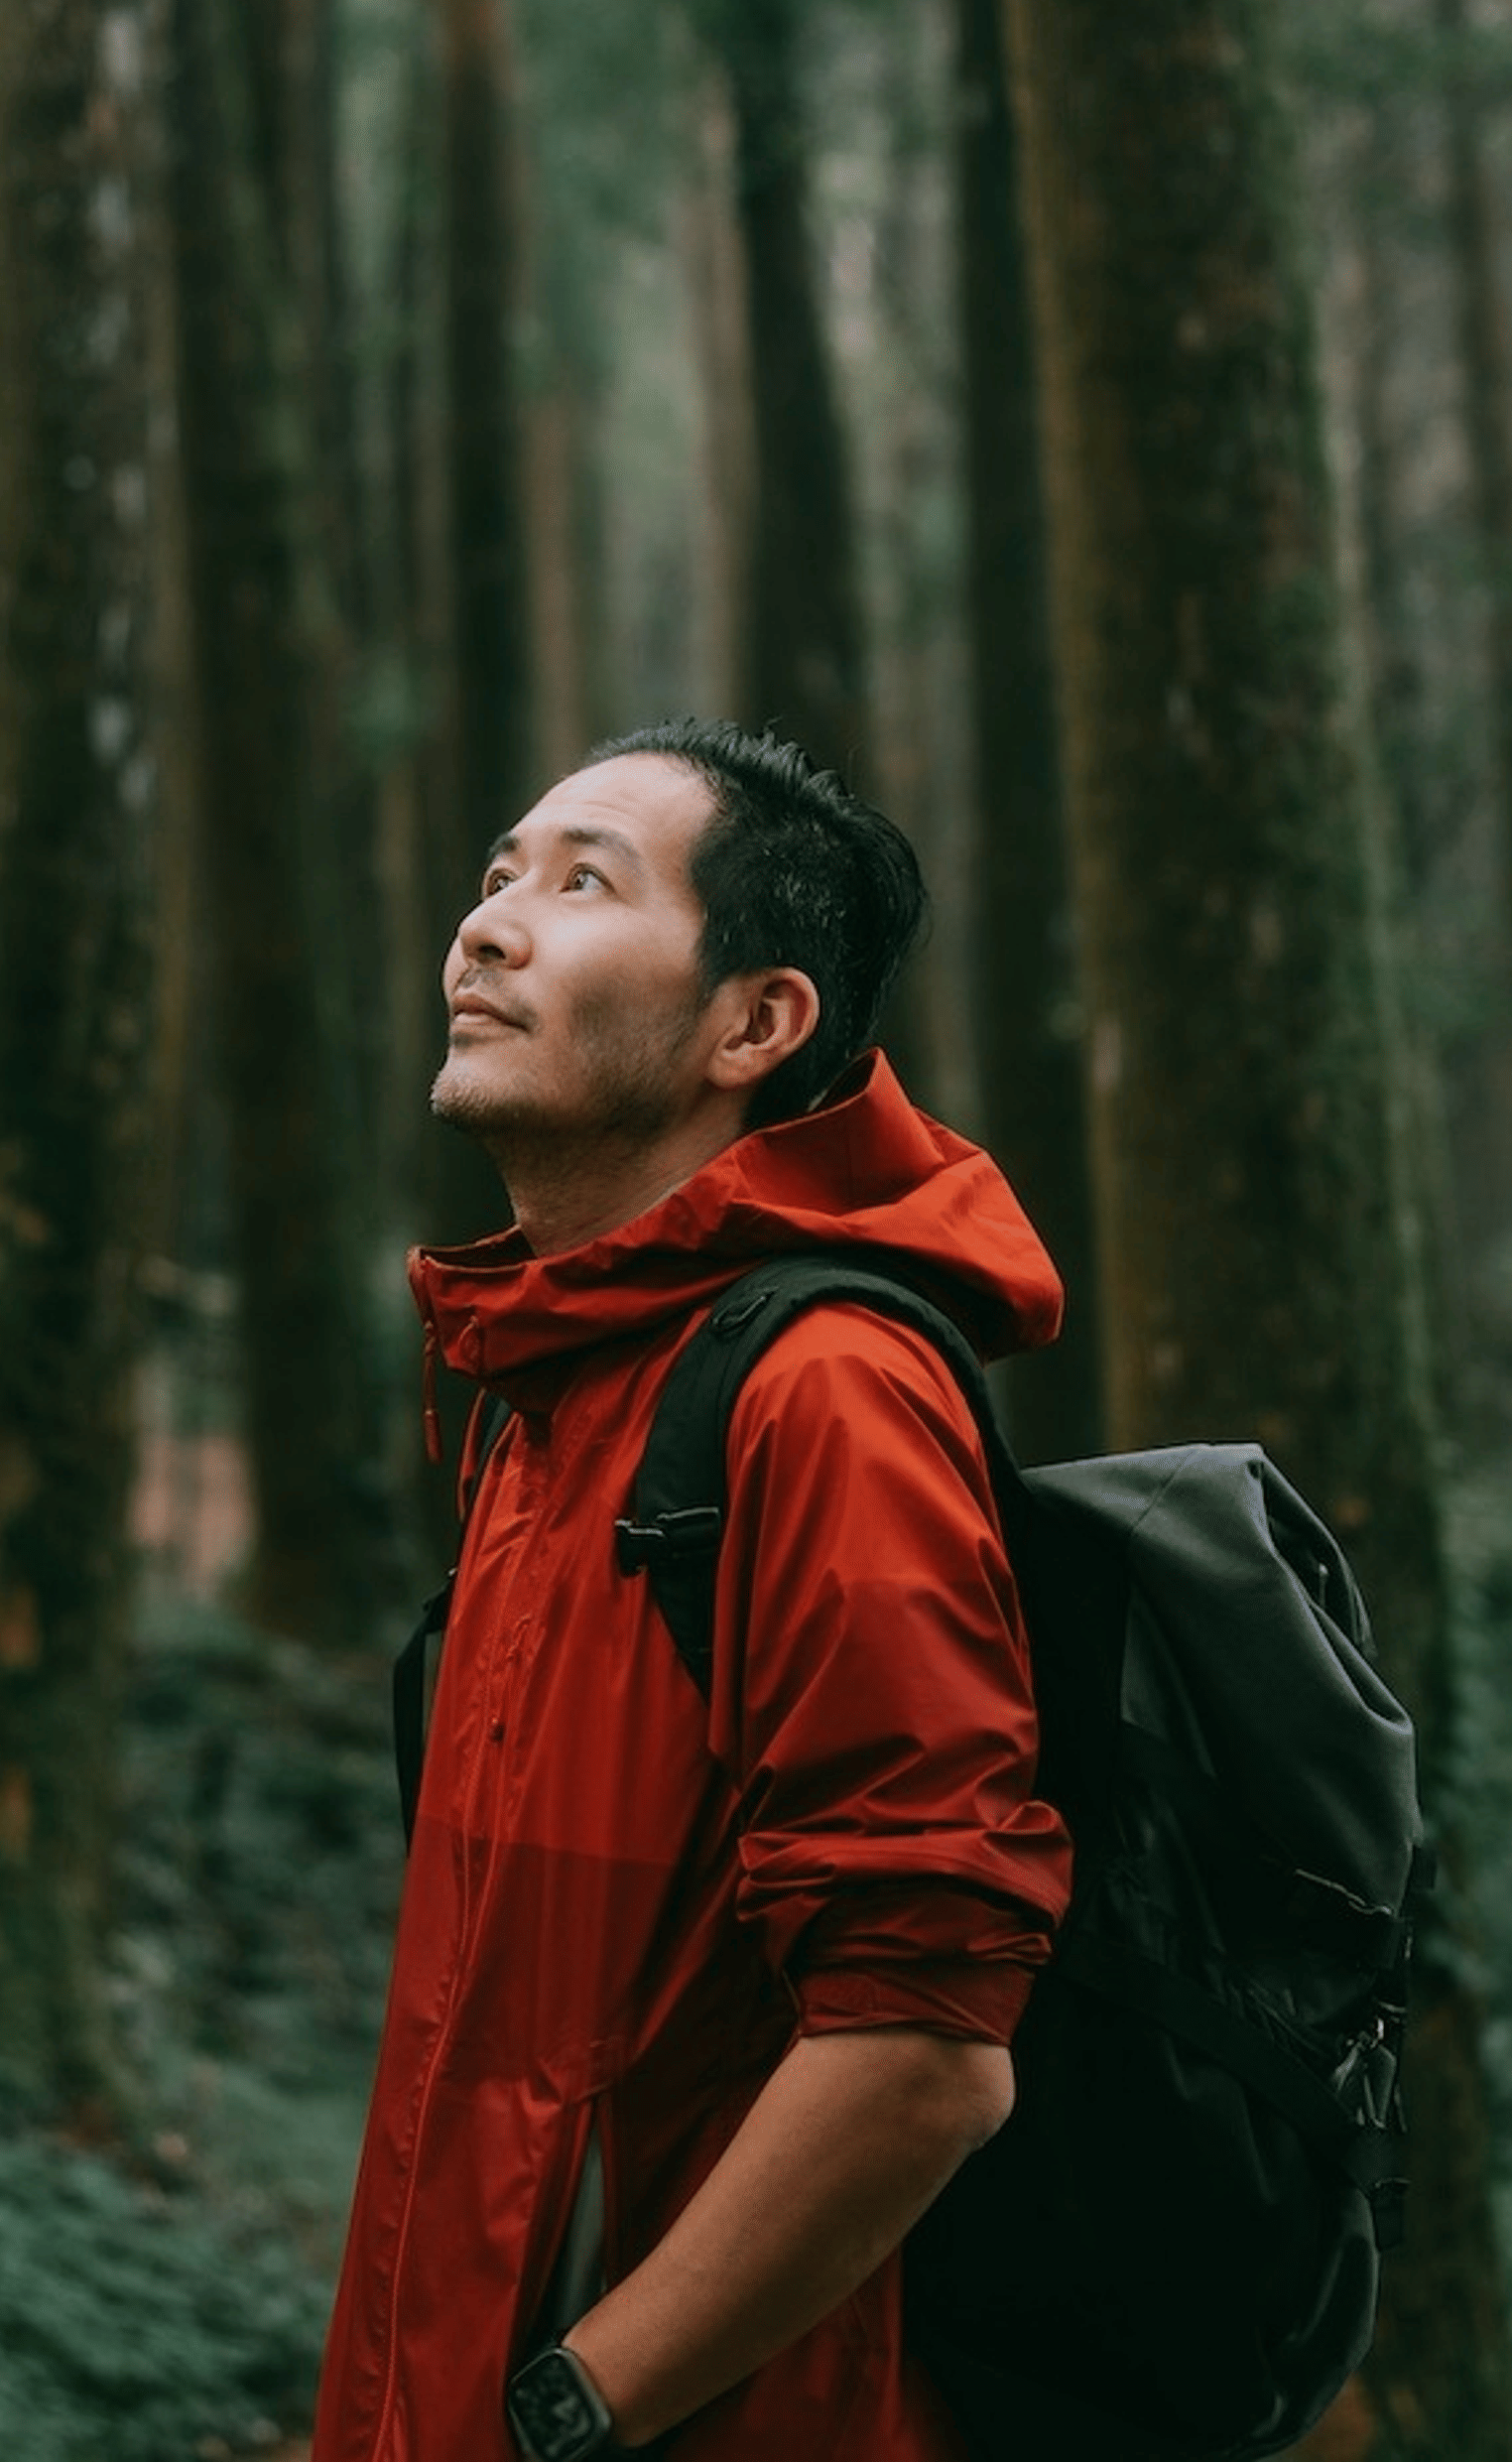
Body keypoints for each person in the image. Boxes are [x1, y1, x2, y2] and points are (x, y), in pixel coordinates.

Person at [312, 718, 1073, 2461]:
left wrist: (570, 2413)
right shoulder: (555, 1399)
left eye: (585, 883)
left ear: (757, 1021)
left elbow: (925, 2045)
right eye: (499, 875)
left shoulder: (824, 1396)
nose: (488, 925)